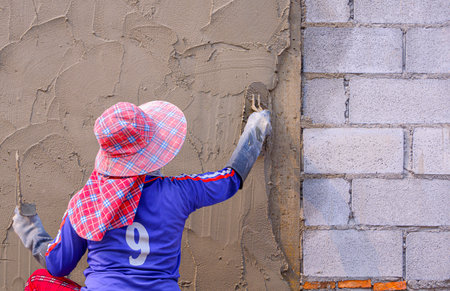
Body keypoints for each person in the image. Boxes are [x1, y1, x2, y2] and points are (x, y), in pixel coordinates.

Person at [12, 100, 271, 290]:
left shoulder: (86, 201)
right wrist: (256, 129)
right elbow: (230, 179)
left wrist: (32, 231)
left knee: (39, 282)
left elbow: (58, 265)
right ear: (155, 151)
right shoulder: (180, 191)